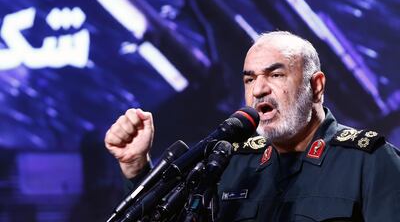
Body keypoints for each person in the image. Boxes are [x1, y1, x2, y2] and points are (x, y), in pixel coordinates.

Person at [105, 31, 400, 221]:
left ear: (316, 87)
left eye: (275, 75)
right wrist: (136, 168)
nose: (258, 90)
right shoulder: (230, 166)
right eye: (249, 79)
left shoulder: (370, 164)